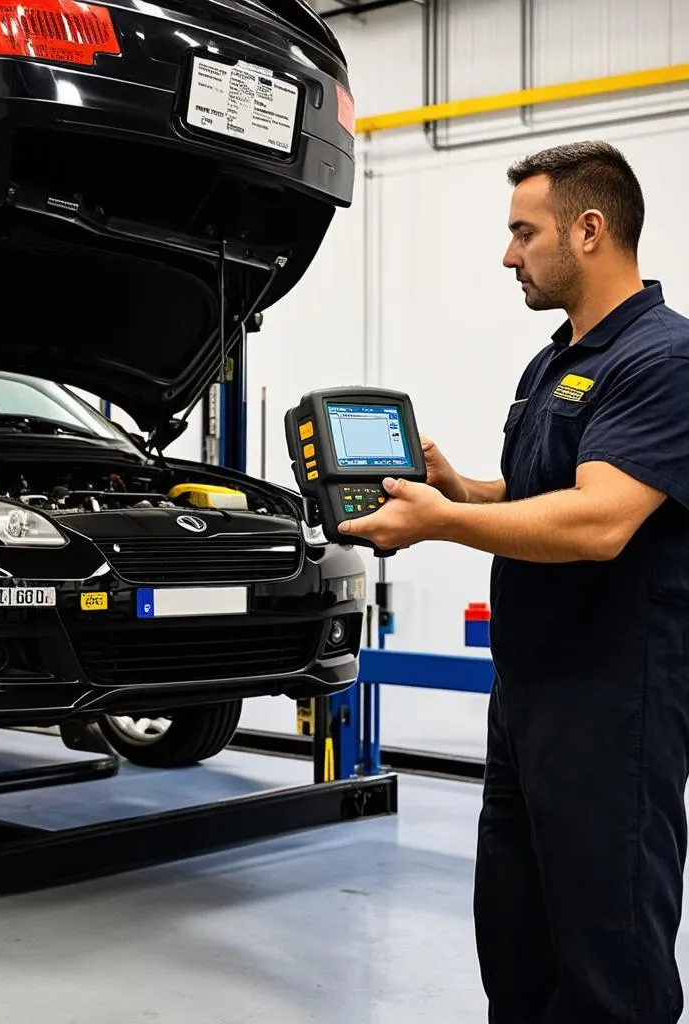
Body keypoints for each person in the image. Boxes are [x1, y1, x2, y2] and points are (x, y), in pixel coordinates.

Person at [339, 140, 689, 1023]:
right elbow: (547, 495)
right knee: (518, 936)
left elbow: (600, 521)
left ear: (590, 230)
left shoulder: (664, 360)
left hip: (615, 701)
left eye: (523, 233)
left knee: (610, 957)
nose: (508, 255)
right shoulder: (554, 361)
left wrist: (443, 523)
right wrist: (463, 489)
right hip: (528, 693)